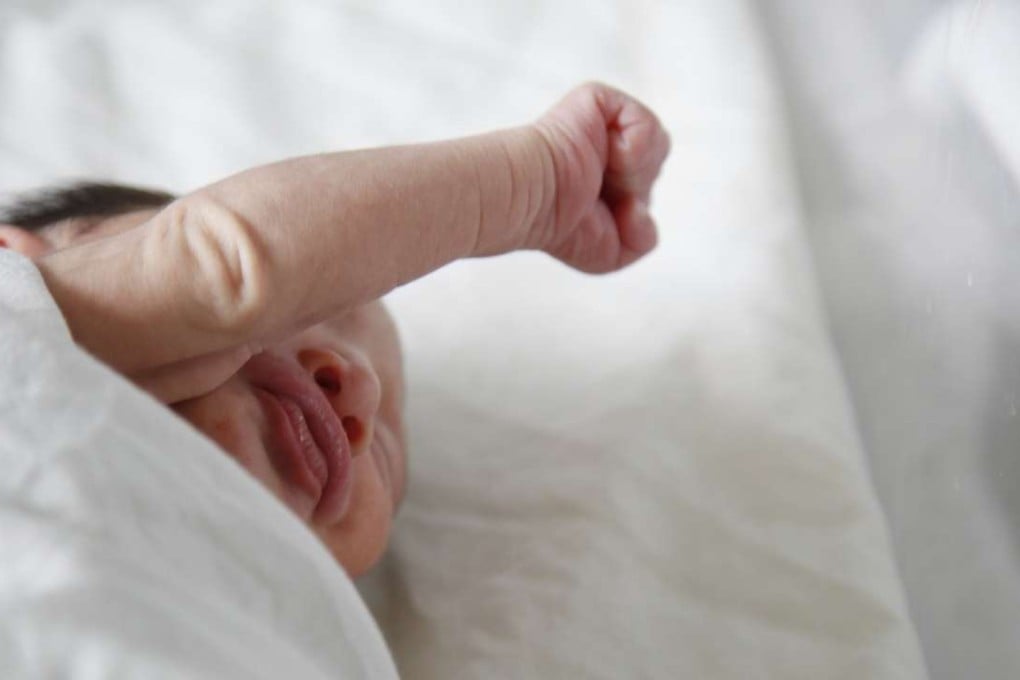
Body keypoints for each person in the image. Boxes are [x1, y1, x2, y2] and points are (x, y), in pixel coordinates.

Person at [0, 82, 670, 578]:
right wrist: (530, 183)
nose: (362, 389)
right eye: (311, 305)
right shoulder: (27, 320)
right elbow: (230, 264)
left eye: (389, 459)